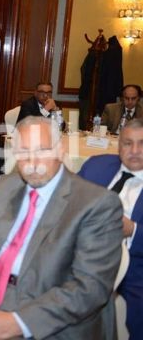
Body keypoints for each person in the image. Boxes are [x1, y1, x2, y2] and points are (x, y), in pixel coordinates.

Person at [0, 116, 123, 340]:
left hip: (48, 316)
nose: (33, 162)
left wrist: (19, 323)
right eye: (24, 152)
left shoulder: (96, 203)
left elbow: (90, 288)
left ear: (60, 150)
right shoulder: (9, 185)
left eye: (42, 150)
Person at [78, 117, 143, 339]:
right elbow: (67, 201)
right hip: (83, 254)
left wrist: (132, 229)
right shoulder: (97, 166)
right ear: (118, 145)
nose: (135, 151)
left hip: (136, 265)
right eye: (128, 143)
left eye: (142, 144)